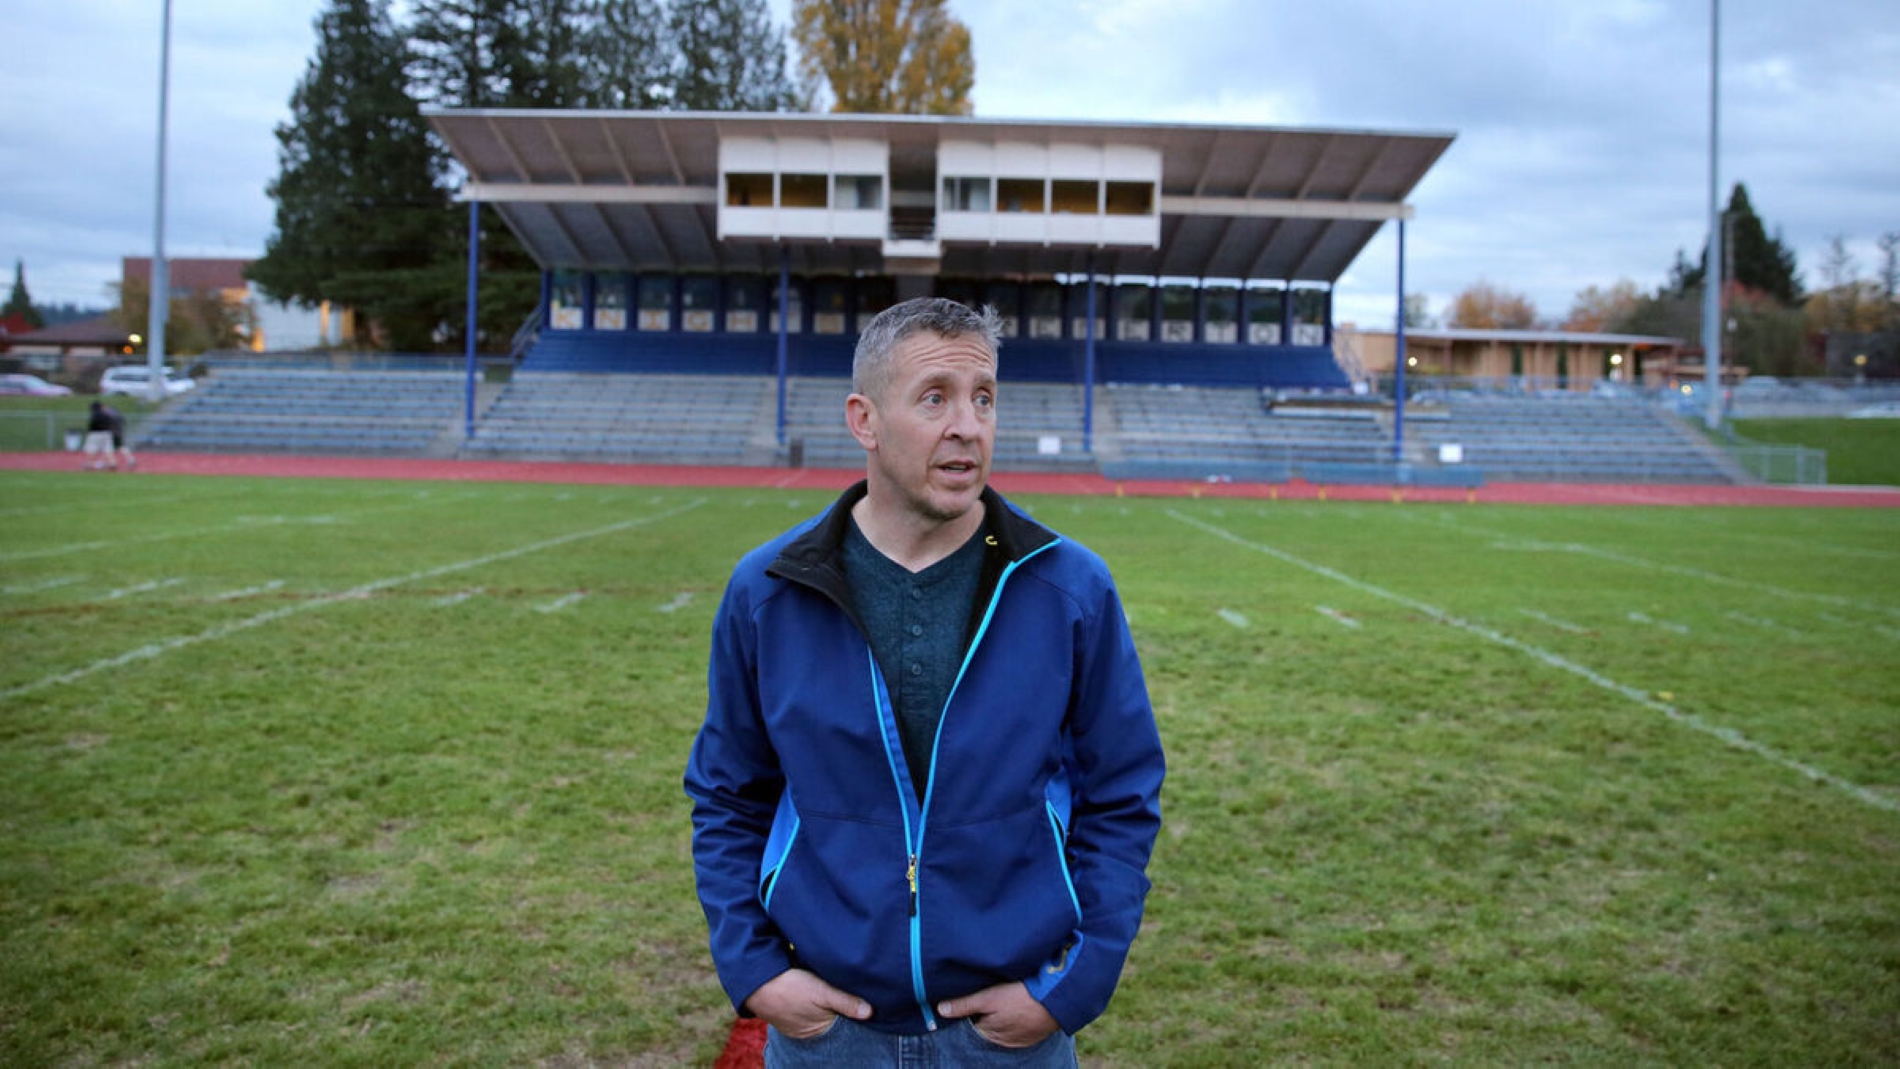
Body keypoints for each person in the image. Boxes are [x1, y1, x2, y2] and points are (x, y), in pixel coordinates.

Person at [685, 297, 1165, 1066]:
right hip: (827, 1035)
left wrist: (1070, 985)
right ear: (864, 420)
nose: (967, 426)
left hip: (1010, 1034)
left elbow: (1123, 794)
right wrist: (755, 969)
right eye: (934, 396)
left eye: (984, 398)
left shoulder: (1070, 588)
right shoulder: (768, 591)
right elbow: (727, 792)